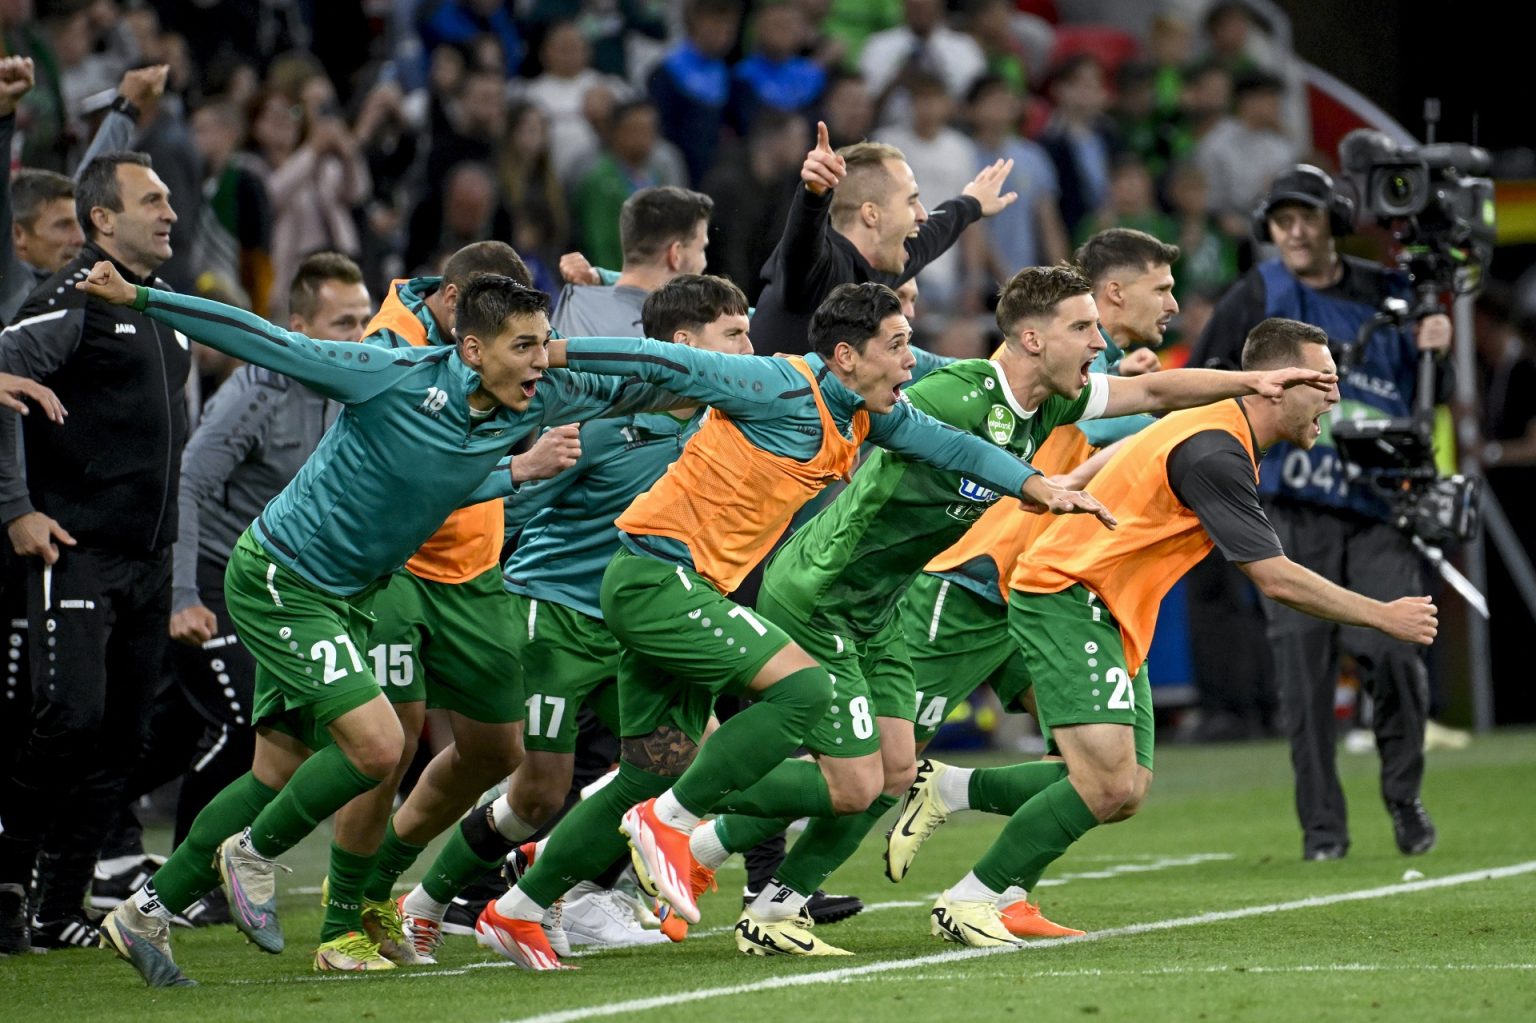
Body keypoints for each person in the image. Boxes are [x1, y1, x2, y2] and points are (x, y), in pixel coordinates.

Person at [700, 255, 1334, 956]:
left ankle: (960, 862)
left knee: (1088, 778)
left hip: (971, 594)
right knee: (868, 776)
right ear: (1039, 334)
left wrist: (1250, 381)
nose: (1105, 339)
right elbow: (869, 413)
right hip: (895, 588)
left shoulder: (1060, 396)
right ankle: (690, 822)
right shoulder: (959, 392)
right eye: (1087, 325)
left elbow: (1151, 393)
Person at [80, 269, 682, 987]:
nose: (540, 361)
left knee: (276, 769)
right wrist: (142, 297)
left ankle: (144, 913)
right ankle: (253, 854)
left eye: (545, 343)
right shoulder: (391, 373)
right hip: (281, 579)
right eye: (524, 346)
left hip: (348, 597)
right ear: (471, 349)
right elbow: (262, 339)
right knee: (377, 745)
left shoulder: (532, 394)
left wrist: (734, 379)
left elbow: (637, 387)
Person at [476, 281, 1101, 971]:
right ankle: (671, 823)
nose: (911, 361)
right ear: (846, 356)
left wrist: (1037, 486)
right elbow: (660, 361)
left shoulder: (864, 415)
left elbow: (955, 447)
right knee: (802, 690)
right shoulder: (776, 384)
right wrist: (547, 351)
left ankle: (519, 907)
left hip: (689, 587)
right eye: (897, 346)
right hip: (656, 575)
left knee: (653, 771)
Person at [895, 317, 1436, 946]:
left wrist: (1077, 478)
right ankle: (973, 898)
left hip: (1114, 608)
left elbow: (1142, 441)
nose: (1335, 396)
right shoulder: (1218, 453)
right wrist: (1383, 615)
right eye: (1322, 380)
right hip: (1069, 595)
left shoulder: (1218, 422)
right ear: (1274, 384)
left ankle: (951, 791)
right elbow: (1275, 578)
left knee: (1126, 791)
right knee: (1103, 782)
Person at [395, 273, 753, 960]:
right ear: (684, 344)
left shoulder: (722, 427)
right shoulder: (604, 424)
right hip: (555, 618)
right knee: (536, 791)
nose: (750, 348)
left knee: (690, 760)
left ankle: (559, 878)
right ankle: (427, 900)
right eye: (734, 334)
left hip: (638, 626)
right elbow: (513, 507)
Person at [95, 254, 372, 929]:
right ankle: (191, 878)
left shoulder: (356, 386)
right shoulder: (260, 388)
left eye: (365, 319)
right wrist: (183, 594)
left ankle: (80, 823)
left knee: (171, 732)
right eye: (343, 323)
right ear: (299, 328)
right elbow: (188, 482)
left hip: (286, 579)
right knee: (239, 720)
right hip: (219, 575)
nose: (360, 335)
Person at [1188, 164, 1450, 861]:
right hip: (1293, 508)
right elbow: (1206, 376)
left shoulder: (1395, 293)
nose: (1296, 231)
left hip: (1381, 506)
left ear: (1334, 219)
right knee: (1302, 676)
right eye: (1282, 221)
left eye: (1306, 216)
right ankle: (1324, 832)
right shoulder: (1259, 291)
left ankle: (1404, 795)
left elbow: (1431, 394)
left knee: (1396, 649)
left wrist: (1438, 350)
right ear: (1268, 229)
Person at [0, 151, 185, 955]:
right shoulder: (72, 297)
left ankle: (57, 905)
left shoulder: (167, 306)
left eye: (169, 198)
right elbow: (1, 368)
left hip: (150, 559)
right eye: (153, 200)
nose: (171, 212)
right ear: (103, 220)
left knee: (120, 736)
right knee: (69, 718)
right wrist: (16, 507)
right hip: (75, 550)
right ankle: (8, 879)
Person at [750, 120, 1017, 356]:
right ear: (872, 215)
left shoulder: (878, 268)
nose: (922, 214)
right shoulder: (819, 271)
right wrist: (813, 196)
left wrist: (971, 203)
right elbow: (802, 248)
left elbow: (933, 234)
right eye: (911, 201)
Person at [553, 186, 713, 339]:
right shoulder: (662, 341)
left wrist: (601, 276)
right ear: (675, 255)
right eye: (701, 249)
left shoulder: (574, 301)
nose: (704, 263)